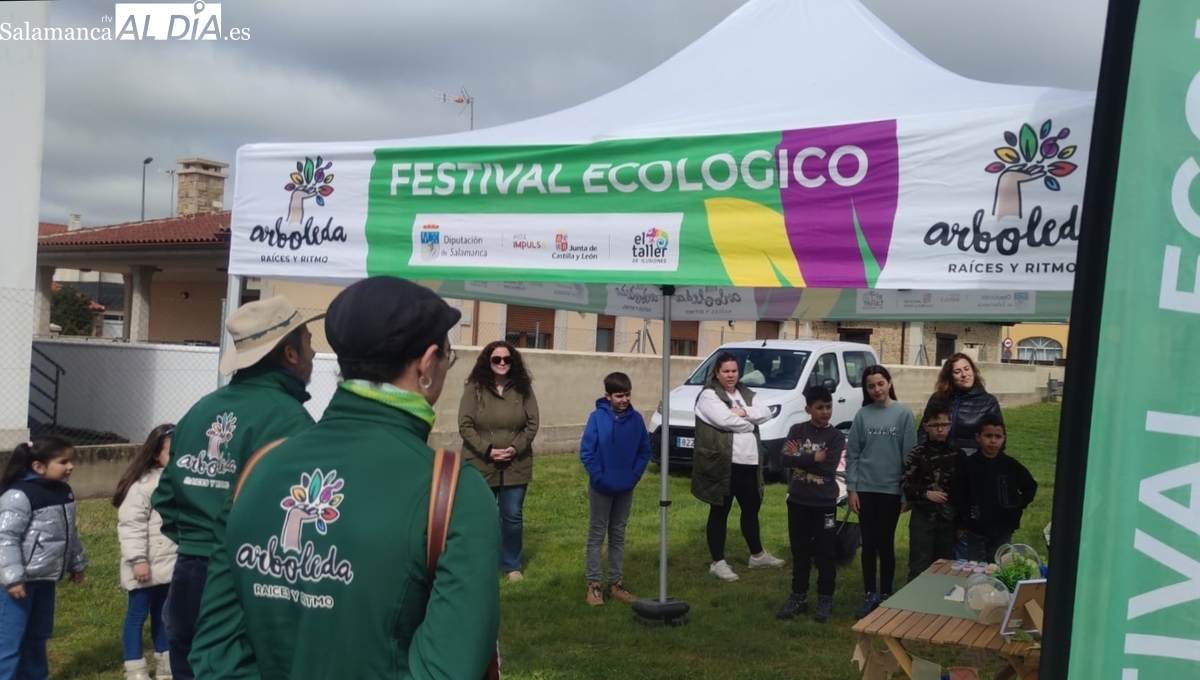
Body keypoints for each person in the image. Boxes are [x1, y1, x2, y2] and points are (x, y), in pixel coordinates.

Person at [190, 276, 500, 679]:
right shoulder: (455, 491)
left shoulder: (259, 468)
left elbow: (217, 652)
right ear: (427, 364)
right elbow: (448, 669)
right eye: (447, 356)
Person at [152, 296, 322, 680]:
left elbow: (165, 496)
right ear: (290, 354)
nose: (314, 353)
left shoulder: (201, 409)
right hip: (244, 579)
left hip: (187, 573)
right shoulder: (290, 420)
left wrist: (195, 541)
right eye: (309, 342)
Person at [691, 352, 786, 583]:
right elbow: (725, 420)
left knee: (751, 509)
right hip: (724, 463)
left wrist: (744, 412)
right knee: (720, 511)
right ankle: (718, 562)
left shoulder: (745, 393)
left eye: (734, 370)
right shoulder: (709, 395)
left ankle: (757, 556)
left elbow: (766, 412)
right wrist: (749, 424)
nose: (730, 375)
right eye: (726, 371)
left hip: (749, 462)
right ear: (717, 373)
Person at [0, 437, 88, 680]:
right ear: (38, 466)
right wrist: (13, 578)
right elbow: (5, 538)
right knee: (9, 640)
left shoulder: (63, 492)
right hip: (17, 584)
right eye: (63, 462)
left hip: (45, 579)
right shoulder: (18, 495)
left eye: (71, 461)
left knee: (38, 636)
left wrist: (76, 562)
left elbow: (69, 532)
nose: (70, 466)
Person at [459, 340, 541, 581]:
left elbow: (533, 423)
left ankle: (511, 564)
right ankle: (481, 561)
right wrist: (488, 450)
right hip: (481, 461)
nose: (502, 363)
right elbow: (465, 425)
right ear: (488, 361)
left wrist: (515, 448)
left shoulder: (523, 388)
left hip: (516, 462)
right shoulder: (475, 388)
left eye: (507, 359)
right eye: (496, 359)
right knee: (482, 515)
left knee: (512, 515)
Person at [846, 365, 916, 619]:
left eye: (880, 384)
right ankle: (869, 594)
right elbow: (853, 454)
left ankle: (886, 594)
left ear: (889, 383)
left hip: (891, 491)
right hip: (865, 489)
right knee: (868, 544)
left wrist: (906, 494)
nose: (876, 389)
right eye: (871, 386)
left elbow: (910, 457)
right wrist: (852, 489)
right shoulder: (862, 415)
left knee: (885, 543)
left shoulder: (903, 414)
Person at [579, 372, 652, 606]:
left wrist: (633, 476)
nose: (624, 400)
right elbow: (587, 452)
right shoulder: (596, 418)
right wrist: (599, 477)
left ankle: (616, 584)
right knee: (597, 534)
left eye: (627, 395)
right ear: (607, 396)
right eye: (619, 395)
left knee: (618, 534)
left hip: (625, 486)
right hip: (601, 487)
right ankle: (594, 585)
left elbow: (644, 451)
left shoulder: (636, 420)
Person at [776, 385, 845, 623]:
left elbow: (828, 467)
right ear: (808, 409)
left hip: (824, 503)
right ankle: (798, 597)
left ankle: (825, 599)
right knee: (800, 551)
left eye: (828, 407)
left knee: (825, 552)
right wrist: (814, 457)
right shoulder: (797, 430)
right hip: (798, 501)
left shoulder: (835, 437)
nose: (825, 412)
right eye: (819, 408)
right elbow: (784, 458)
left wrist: (800, 459)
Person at [114, 424, 178, 680]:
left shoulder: (178, 480)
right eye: (172, 452)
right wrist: (138, 560)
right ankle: (135, 668)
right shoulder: (143, 485)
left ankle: (165, 664)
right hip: (145, 565)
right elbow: (131, 525)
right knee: (137, 616)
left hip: (170, 566)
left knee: (164, 616)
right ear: (154, 454)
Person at [955, 414, 1038, 562]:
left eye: (998, 437)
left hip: (1003, 527)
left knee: (1001, 564)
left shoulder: (1011, 465)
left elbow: (1030, 486)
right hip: (976, 527)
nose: (993, 441)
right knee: (976, 566)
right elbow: (959, 494)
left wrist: (1017, 505)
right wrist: (962, 521)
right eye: (988, 436)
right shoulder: (968, 465)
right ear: (978, 437)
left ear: (1003, 438)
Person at [901, 404, 962, 582]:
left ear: (950, 426)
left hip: (948, 519)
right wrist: (926, 494)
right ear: (926, 427)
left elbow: (964, 491)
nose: (940, 429)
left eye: (944, 424)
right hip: (923, 517)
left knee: (944, 566)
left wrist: (961, 523)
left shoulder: (957, 455)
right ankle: (914, 598)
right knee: (919, 565)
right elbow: (905, 483)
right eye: (935, 425)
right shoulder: (917, 454)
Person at [920, 353, 1003, 456]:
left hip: (973, 460)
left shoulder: (988, 402)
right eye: (957, 371)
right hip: (940, 459)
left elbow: (998, 437)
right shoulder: (938, 398)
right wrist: (927, 456)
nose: (964, 374)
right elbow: (923, 431)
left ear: (973, 371)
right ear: (950, 376)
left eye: (967, 369)